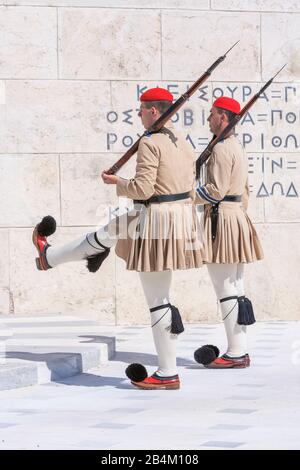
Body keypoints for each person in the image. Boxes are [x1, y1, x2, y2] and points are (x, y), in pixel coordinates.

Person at [32, 87, 203, 389]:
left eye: (141, 109)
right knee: (110, 231)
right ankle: (49, 257)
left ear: (153, 111)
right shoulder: (181, 142)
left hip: (154, 220)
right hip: (176, 218)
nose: (138, 114)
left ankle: (166, 373)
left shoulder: (151, 143)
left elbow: (143, 189)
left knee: (158, 300)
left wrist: (117, 182)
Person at [194, 96, 264, 369]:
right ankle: (239, 349)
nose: (208, 119)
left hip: (221, 219)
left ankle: (235, 353)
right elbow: (244, 192)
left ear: (223, 118)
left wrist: (186, 195)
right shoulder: (236, 146)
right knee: (236, 287)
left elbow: (215, 191)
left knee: (225, 288)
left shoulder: (222, 148)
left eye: (212, 114)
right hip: (235, 217)